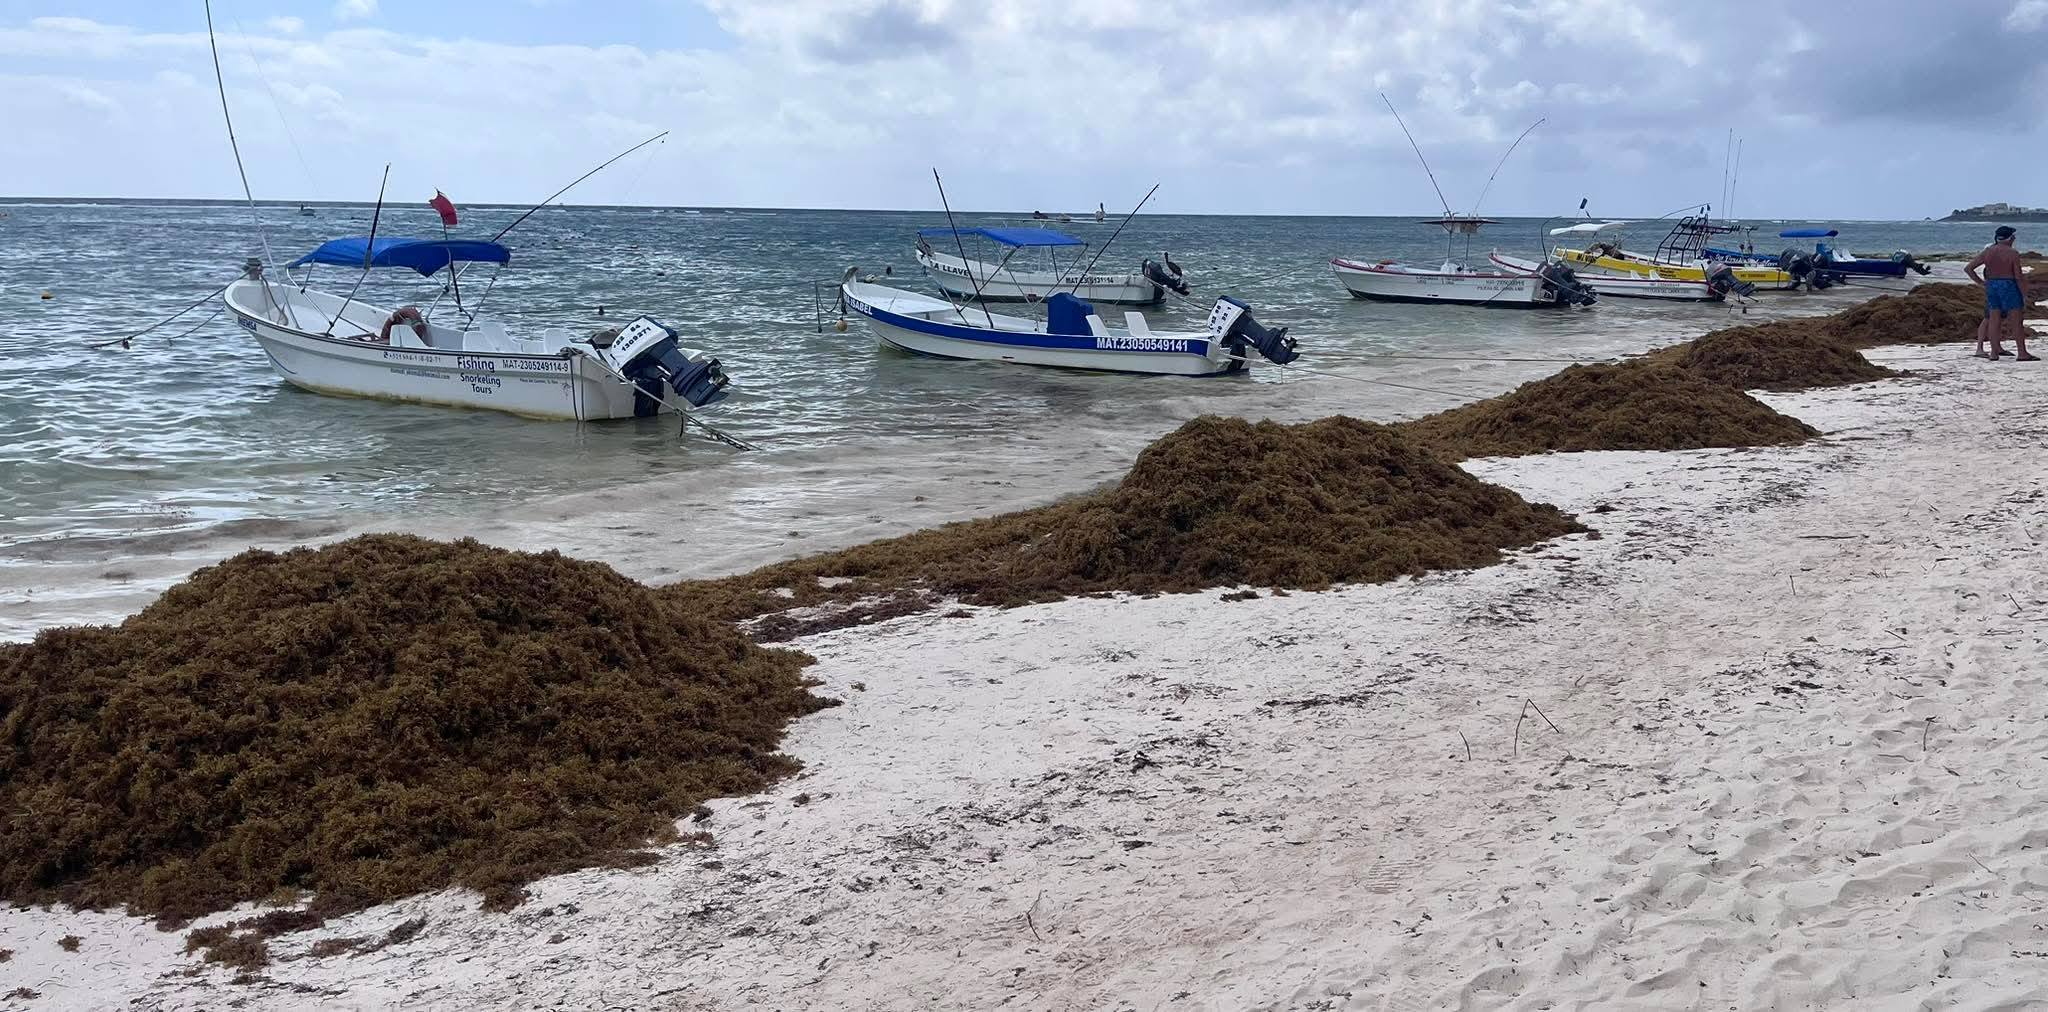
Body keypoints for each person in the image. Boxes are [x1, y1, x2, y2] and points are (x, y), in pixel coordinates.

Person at [1966, 225, 2034, 361]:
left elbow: (1969, 268)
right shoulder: (2012, 253)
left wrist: (1981, 283)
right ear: (2010, 238)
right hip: (2009, 285)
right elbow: (2018, 276)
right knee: (2016, 321)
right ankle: (2022, 353)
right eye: (2013, 236)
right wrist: (2024, 293)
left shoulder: (1988, 251)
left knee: (1994, 320)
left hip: (1992, 285)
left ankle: (1994, 352)